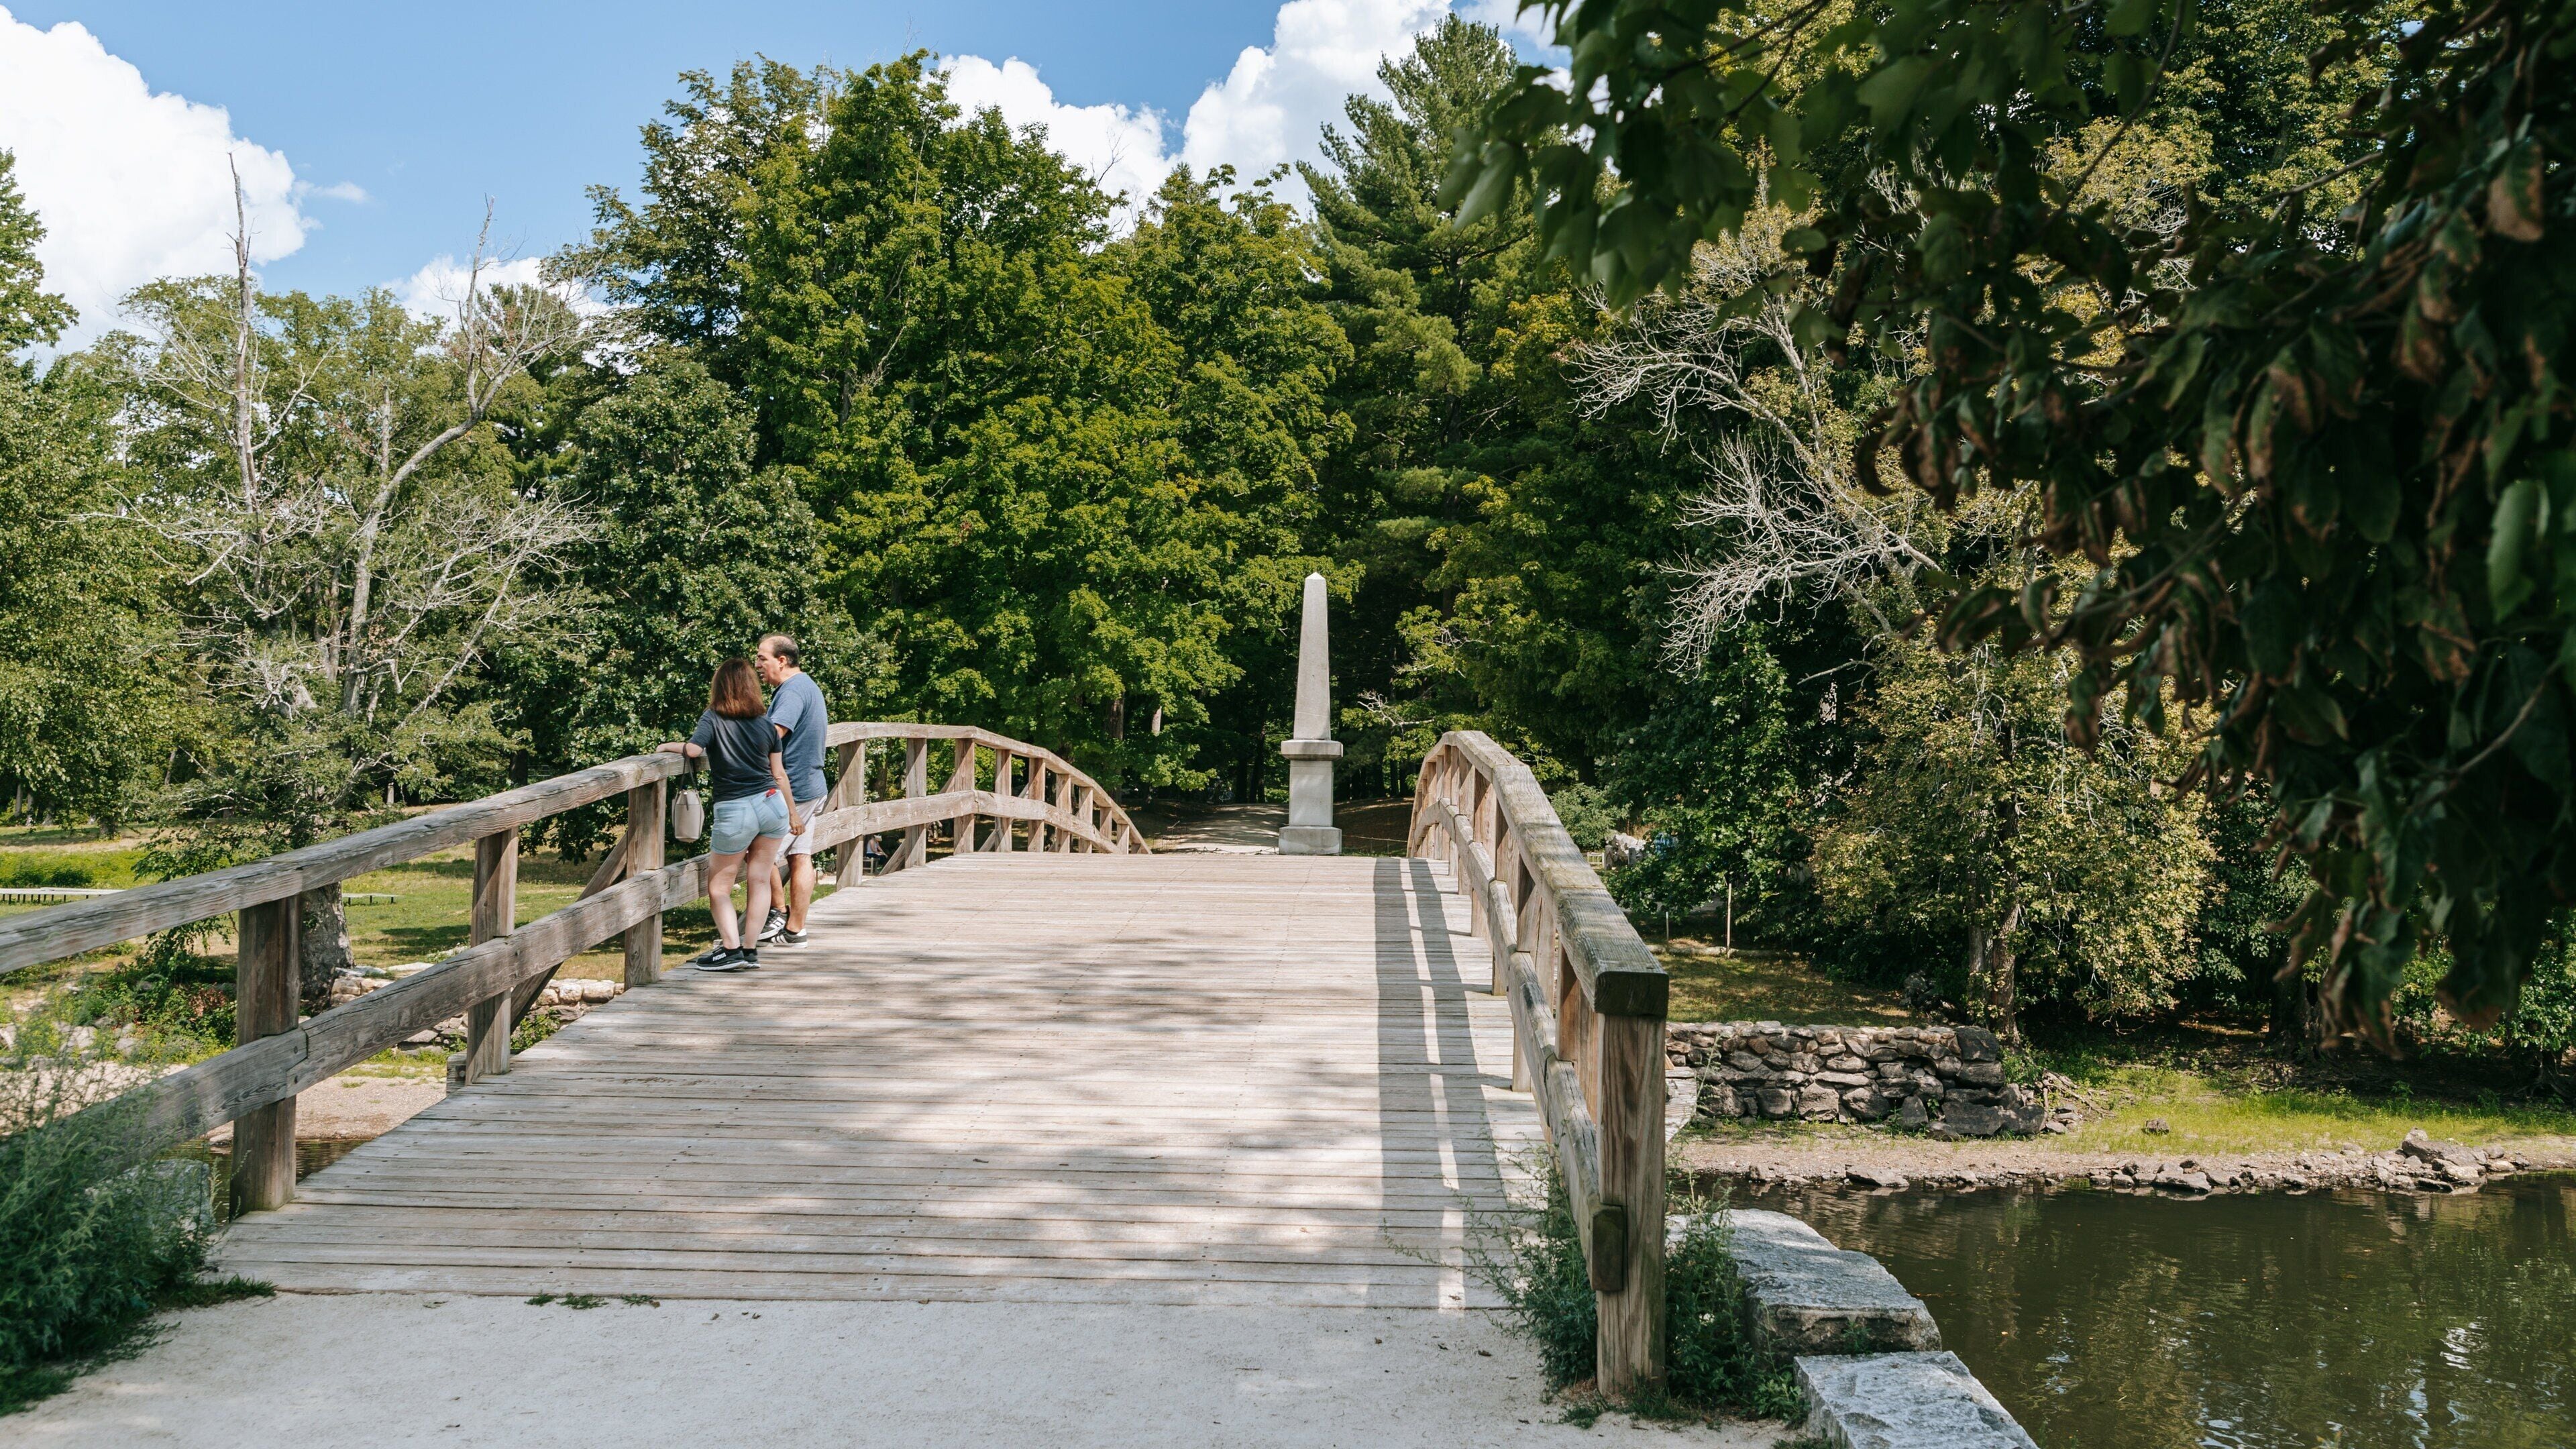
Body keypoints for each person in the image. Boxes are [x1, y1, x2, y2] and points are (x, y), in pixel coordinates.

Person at [658, 659, 793, 971]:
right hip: (772, 805)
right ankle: (749, 950)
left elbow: (693, 750)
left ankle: (729, 950)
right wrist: (792, 813)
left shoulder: (714, 717)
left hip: (736, 808)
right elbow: (777, 772)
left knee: (719, 887)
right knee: (759, 880)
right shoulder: (765, 723)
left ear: (720, 686)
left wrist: (666, 746)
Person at [755, 633, 830, 947]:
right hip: (811, 785)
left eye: (762, 658)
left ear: (782, 661)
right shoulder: (806, 685)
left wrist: (728, 740)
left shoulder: (792, 691)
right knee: (800, 855)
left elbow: (773, 734)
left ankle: (776, 914)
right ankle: (795, 929)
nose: (757, 665)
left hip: (794, 789)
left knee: (759, 852)